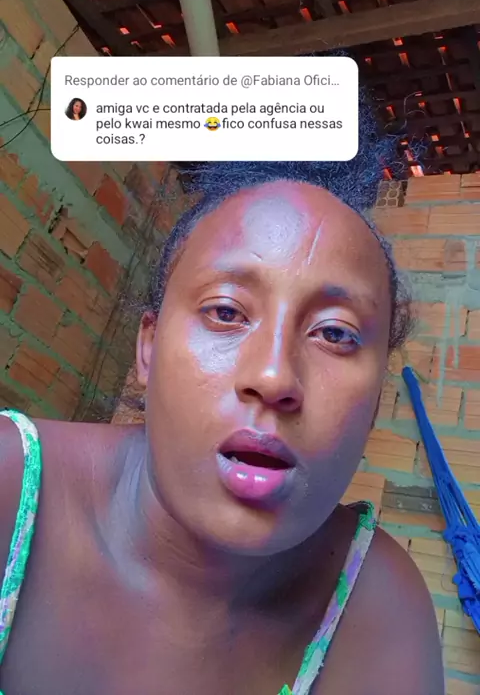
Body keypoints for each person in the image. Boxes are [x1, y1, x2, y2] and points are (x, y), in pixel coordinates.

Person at [0, 87, 444, 694]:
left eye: (335, 333)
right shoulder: (9, 489)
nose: (274, 377)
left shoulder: (381, 614)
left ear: (374, 405)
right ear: (148, 348)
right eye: (227, 312)